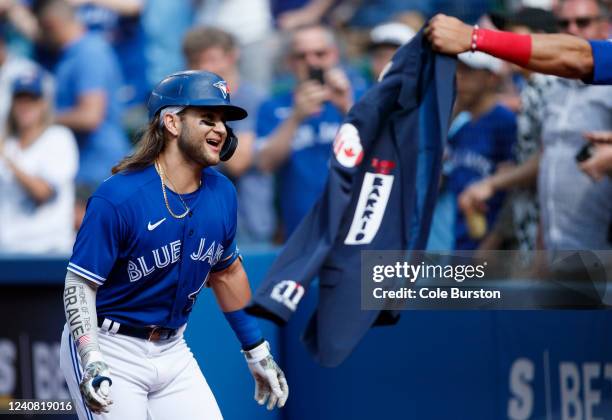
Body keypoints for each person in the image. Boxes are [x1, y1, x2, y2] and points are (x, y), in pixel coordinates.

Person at [59, 71, 289, 419]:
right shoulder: (119, 196)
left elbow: (227, 274)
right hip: (110, 344)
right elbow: (80, 283)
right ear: (172, 123)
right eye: (207, 119)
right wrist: (91, 357)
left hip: (173, 349)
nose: (221, 130)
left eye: (223, 122)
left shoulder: (222, 192)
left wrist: (257, 350)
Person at [458, 7, 557, 252]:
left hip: (548, 230)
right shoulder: (531, 87)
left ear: (541, 37)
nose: (507, 39)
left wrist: (493, 183)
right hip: (531, 225)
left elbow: (551, 157)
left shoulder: (547, 83)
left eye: (515, 33)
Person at [256, 23, 365, 239]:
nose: (311, 62)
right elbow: (265, 163)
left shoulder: (359, 97)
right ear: (290, 62)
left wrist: (346, 108)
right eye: (301, 56)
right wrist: (296, 117)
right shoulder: (273, 107)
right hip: (301, 230)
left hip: (355, 225)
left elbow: (379, 154)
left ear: (334, 55)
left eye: (320, 54)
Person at [34, 0, 130, 221]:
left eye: (41, 29)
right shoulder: (71, 54)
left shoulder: (89, 52)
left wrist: (40, 120)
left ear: (51, 24)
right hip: (84, 168)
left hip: (98, 168)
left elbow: (90, 116)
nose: (39, 37)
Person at [183, 26, 276, 243]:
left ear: (232, 56)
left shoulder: (254, 100)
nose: (204, 68)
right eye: (196, 62)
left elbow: (237, 162)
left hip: (248, 221)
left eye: (212, 59)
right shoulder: (182, 105)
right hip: (198, 224)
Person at [429, 51, 516, 250]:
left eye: (468, 72)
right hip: (458, 239)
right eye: (457, 71)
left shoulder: (504, 122)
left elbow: (514, 189)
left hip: (489, 244)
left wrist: (494, 240)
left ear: (491, 77)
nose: (459, 78)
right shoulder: (461, 123)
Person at [425, 4, 612, 85]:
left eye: (583, 22)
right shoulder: (552, 86)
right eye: (563, 23)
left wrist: (475, 38)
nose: (572, 30)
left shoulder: (545, 82)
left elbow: (581, 57)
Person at [0, 69, 78, 254]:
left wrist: (8, 160)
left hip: (49, 251)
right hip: (8, 251)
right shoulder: (8, 144)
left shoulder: (59, 138)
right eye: (20, 99)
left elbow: (43, 193)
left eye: (32, 100)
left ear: (43, 103)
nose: (25, 106)